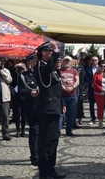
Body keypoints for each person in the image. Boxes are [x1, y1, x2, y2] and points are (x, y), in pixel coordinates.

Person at [34, 41, 66, 179]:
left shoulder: (51, 68)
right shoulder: (41, 66)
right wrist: (56, 51)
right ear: (43, 52)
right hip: (47, 108)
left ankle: (51, 168)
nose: (52, 53)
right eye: (50, 51)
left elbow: (57, 88)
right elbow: (47, 76)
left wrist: (62, 103)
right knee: (45, 142)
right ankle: (44, 172)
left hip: (55, 107)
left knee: (53, 140)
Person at [20, 52, 40, 166]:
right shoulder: (24, 75)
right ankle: (35, 156)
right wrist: (30, 93)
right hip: (32, 108)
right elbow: (21, 92)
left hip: (43, 107)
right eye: (34, 61)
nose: (36, 63)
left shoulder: (43, 74)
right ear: (30, 62)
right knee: (34, 132)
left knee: (43, 133)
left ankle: (42, 155)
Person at [59, 56, 79, 136]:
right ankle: (58, 130)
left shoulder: (74, 71)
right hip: (62, 95)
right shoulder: (59, 71)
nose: (67, 62)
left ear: (71, 62)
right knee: (61, 114)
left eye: (68, 61)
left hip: (72, 95)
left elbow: (77, 80)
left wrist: (72, 87)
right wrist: (63, 87)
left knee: (71, 114)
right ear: (63, 62)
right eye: (65, 61)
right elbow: (58, 80)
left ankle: (69, 130)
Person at [14, 62, 28, 137]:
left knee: (24, 114)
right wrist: (16, 69)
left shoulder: (26, 75)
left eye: (22, 68)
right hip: (17, 97)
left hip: (24, 96)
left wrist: (24, 70)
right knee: (17, 114)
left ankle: (23, 130)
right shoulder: (15, 75)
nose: (21, 70)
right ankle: (18, 130)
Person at [85, 56, 100, 124]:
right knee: (91, 104)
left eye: (96, 60)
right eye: (93, 60)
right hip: (91, 88)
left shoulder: (101, 68)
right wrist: (91, 84)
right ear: (91, 61)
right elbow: (86, 77)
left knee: (100, 104)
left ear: (98, 61)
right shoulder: (88, 69)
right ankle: (92, 118)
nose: (94, 61)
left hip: (99, 88)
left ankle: (100, 118)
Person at [92, 60, 105, 128]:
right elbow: (94, 83)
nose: (103, 67)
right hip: (99, 94)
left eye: (104, 66)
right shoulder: (96, 74)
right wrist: (101, 89)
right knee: (100, 108)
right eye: (101, 66)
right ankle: (100, 122)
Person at [73, 55, 85, 126]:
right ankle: (73, 119)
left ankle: (80, 118)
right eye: (75, 59)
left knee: (80, 103)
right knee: (74, 104)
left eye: (78, 59)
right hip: (73, 86)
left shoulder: (81, 67)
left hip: (79, 86)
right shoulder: (70, 67)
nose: (77, 60)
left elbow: (82, 77)